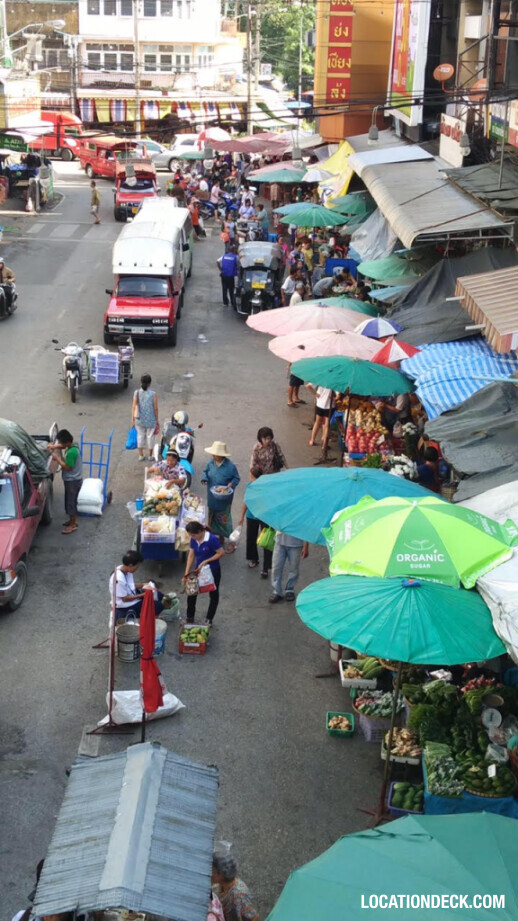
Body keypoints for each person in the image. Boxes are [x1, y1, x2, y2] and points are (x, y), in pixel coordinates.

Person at [183, 521, 225, 625]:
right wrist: (187, 572)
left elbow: (221, 553)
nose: (192, 537)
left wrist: (207, 561)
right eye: (191, 535)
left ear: (201, 531)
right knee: (191, 592)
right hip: (198, 570)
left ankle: (209, 619)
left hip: (213, 570)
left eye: (193, 535)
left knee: (214, 594)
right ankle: (189, 617)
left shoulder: (211, 539)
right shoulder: (194, 539)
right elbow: (191, 555)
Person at [201, 440, 240, 543]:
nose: (213, 456)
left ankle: (230, 541)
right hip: (212, 497)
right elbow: (205, 472)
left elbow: (236, 478)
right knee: (212, 518)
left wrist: (231, 484)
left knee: (224, 521)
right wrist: (204, 478)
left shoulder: (230, 466)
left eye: (215, 454)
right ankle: (213, 539)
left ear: (221, 455)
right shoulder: (210, 463)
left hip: (224, 500)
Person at [109, 550, 165, 619]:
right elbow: (124, 599)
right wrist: (144, 594)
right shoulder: (119, 579)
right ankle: (150, 619)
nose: (137, 568)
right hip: (125, 605)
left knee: (159, 595)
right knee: (158, 606)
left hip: (132, 596)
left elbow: (130, 585)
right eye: (137, 565)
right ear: (130, 565)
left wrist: (144, 584)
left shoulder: (125, 570)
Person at [47, 429, 82, 535]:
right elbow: (62, 446)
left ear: (67, 442)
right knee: (69, 501)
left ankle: (73, 524)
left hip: (72, 481)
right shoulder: (73, 445)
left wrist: (57, 459)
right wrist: (54, 447)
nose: (61, 445)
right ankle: (71, 521)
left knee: (71, 503)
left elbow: (67, 467)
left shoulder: (72, 452)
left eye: (62, 443)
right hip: (72, 480)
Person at [238, 468, 272, 577]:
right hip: (251, 516)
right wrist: (242, 516)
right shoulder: (250, 486)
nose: (250, 478)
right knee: (251, 538)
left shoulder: (266, 488)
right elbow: (246, 501)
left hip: (264, 517)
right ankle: (253, 558)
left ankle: (266, 566)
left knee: (266, 541)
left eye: (251, 476)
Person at [212, 853, 259, 921]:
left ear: (221, 874)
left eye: (213, 871)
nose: (210, 873)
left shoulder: (238, 895)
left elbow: (254, 918)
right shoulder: (223, 885)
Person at [269, 531, 309, 603]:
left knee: (294, 569)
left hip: (296, 544)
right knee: (276, 567)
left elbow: (307, 527)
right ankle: (277, 591)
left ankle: (290, 589)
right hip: (279, 541)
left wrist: (306, 546)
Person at [131, 373, 159, 462]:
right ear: (150, 383)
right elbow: (155, 408)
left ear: (140, 382)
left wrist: (132, 419)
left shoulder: (137, 393)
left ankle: (141, 455)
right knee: (150, 437)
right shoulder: (153, 394)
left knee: (140, 436)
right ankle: (150, 456)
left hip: (139, 419)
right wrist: (157, 419)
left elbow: (134, 406)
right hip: (151, 420)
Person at [306, 384, 335, 452]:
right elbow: (338, 395)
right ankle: (324, 445)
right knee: (326, 425)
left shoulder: (320, 379)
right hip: (329, 407)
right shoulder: (334, 382)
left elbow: (308, 386)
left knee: (317, 422)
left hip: (319, 404)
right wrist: (334, 399)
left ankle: (312, 440)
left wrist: (315, 394)